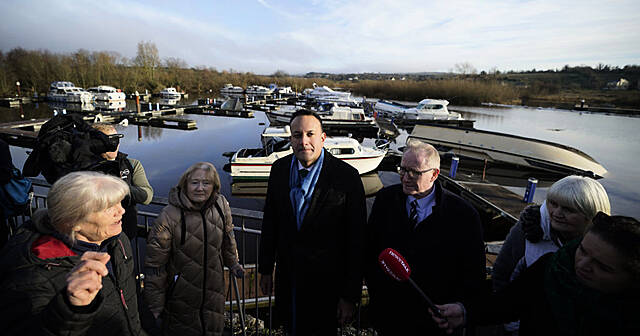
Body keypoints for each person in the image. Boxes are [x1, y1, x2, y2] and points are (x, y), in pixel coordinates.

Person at [433, 213, 640, 336]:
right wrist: (465, 312)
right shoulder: (552, 267)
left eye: (602, 267)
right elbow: (508, 303)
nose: (583, 264)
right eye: (582, 250)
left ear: (631, 278)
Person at [258, 109, 367, 335]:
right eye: (297, 135)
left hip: (327, 285)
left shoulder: (346, 177)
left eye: (310, 134)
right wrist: (266, 268)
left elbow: (356, 240)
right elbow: (271, 222)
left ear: (323, 138)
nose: (304, 141)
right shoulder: (279, 170)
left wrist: (349, 296)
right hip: (289, 281)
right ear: (290, 140)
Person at [0, 171, 146, 335]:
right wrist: (69, 309)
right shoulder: (30, 275)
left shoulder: (117, 240)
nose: (122, 211)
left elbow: (132, 297)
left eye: (120, 203)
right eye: (108, 208)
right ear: (73, 222)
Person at [365, 139, 486, 335]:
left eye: (414, 172)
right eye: (403, 170)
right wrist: (377, 292)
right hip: (389, 314)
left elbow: (473, 273)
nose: (405, 178)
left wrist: (461, 309)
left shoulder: (463, 214)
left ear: (434, 174)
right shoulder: (385, 199)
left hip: (434, 320)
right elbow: (371, 249)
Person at [492, 175, 610, 334]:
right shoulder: (526, 231)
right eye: (553, 204)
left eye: (568, 209)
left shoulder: (608, 247)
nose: (557, 213)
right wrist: (511, 324)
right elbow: (502, 273)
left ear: (590, 215)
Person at [144, 162, 244, 336]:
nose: (200, 188)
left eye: (206, 183)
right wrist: (155, 305)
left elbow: (228, 237)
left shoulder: (220, 205)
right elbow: (155, 267)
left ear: (214, 186)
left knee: (213, 328)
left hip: (214, 289)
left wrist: (233, 263)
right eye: (194, 183)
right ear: (185, 184)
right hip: (181, 295)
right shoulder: (168, 217)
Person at [92, 123, 153, 240]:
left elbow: (147, 197)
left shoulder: (132, 164)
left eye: (117, 139)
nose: (115, 144)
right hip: (95, 236)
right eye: (109, 140)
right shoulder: (85, 168)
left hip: (125, 234)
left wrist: (119, 187)